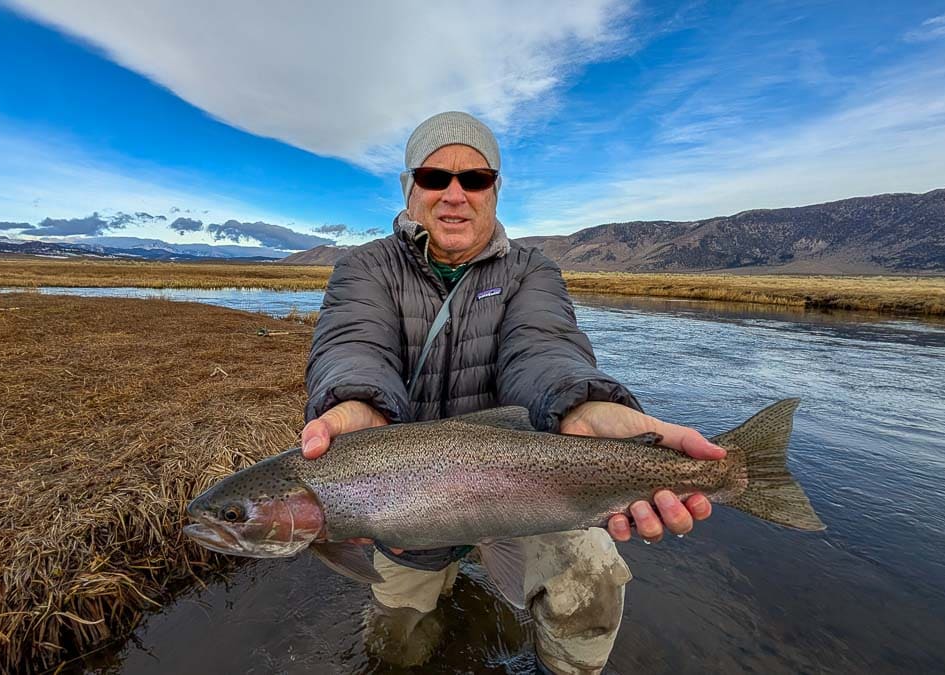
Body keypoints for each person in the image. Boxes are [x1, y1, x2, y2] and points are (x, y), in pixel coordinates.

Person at [300, 111, 725, 675]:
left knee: (592, 585)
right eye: (434, 178)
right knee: (396, 648)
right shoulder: (365, 267)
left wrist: (585, 407)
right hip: (403, 500)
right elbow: (355, 345)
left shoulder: (531, 270)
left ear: (495, 191)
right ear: (410, 189)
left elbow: (544, 348)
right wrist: (355, 405)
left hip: (530, 486)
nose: (455, 195)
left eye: (474, 180)